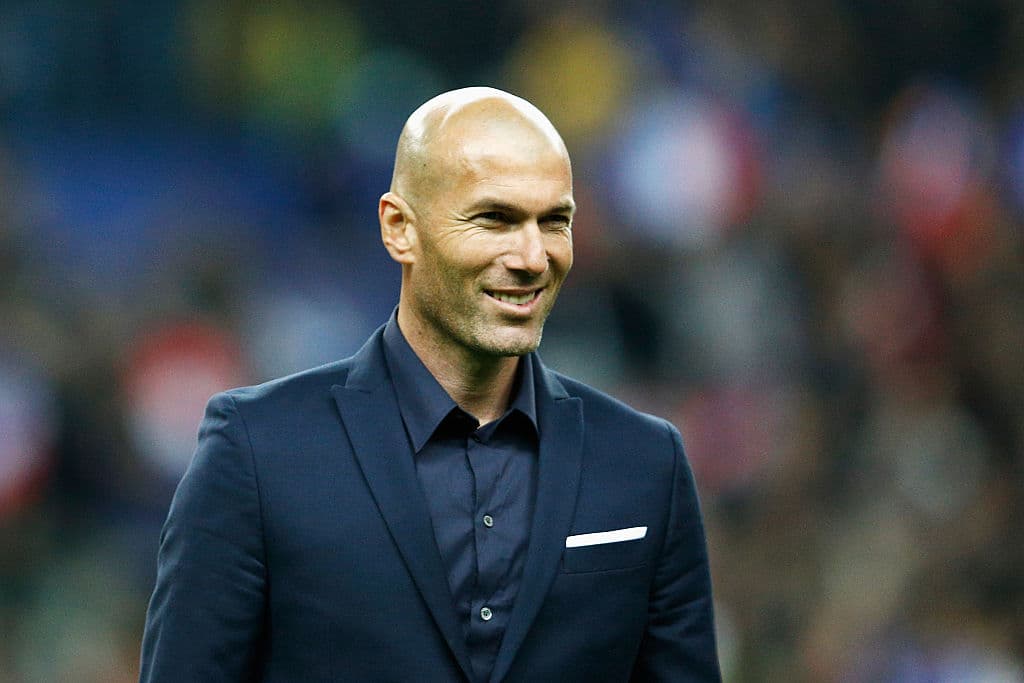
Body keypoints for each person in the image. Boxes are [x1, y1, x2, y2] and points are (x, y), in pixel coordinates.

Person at [139, 87, 721, 682]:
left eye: (554, 221)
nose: (531, 256)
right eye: (494, 218)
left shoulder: (645, 463)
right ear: (399, 229)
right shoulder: (257, 452)